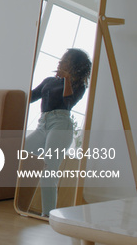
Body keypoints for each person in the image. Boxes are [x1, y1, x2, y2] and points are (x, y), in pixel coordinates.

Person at [24, 48, 92, 217]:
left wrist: (67, 79)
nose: (60, 62)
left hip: (61, 124)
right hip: (43, 124)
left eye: (65, 60)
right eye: (61, 59)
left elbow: (68, 102)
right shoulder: (49, 81)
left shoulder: (79, 85)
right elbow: (30, 98)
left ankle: (48, 215)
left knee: (49, 170)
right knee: (21, 155)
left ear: (73, 65)